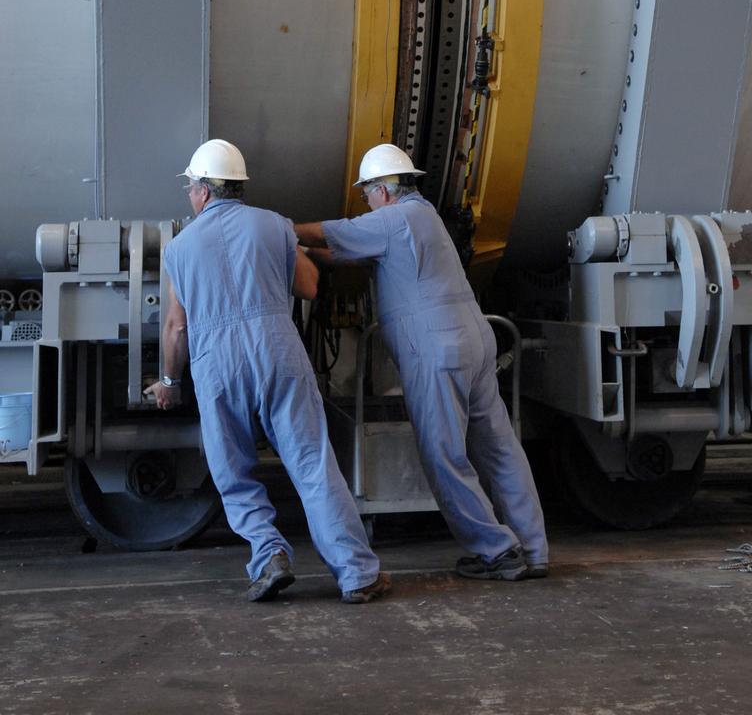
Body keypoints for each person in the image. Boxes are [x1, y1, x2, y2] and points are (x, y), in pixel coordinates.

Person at [145, 138, 391, 606]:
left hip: (216, 362)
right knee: (313, 466)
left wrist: (171, 384)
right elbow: (310, 287)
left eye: (190, 189)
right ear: (238, 187)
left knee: (233, 471)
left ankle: (269, 554)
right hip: (276, 349)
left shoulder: (179, 249)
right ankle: (357, 573)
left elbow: (176, 325)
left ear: (201, 191)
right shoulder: (274, 226)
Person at [296, 143, 548, 582]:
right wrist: (302, 251)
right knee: (499, 449)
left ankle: (496, 550)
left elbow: (335, 233)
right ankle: (533, 548)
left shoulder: (393, 219)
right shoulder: (421, 215)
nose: (366, 203)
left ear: (383, 190)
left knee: (443, 454)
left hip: (438, 350)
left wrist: (278, 231)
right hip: (475, 340)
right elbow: (344, 250)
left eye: (367, 194)